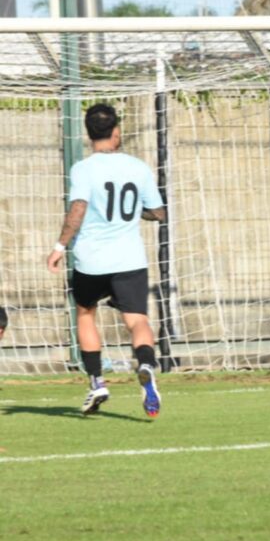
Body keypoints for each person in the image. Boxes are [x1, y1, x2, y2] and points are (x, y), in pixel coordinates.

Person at [45, 103, 166, 416]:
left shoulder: (83, 168)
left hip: (91, 260)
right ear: (116, 132)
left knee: (86, 314)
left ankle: (97, 381)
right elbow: (158, 213)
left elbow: (78, 209)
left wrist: (60, 246)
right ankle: (147, 366)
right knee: (137, 320)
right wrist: (135, 213)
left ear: (88, 134)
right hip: (129, 259)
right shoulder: (138, 167)